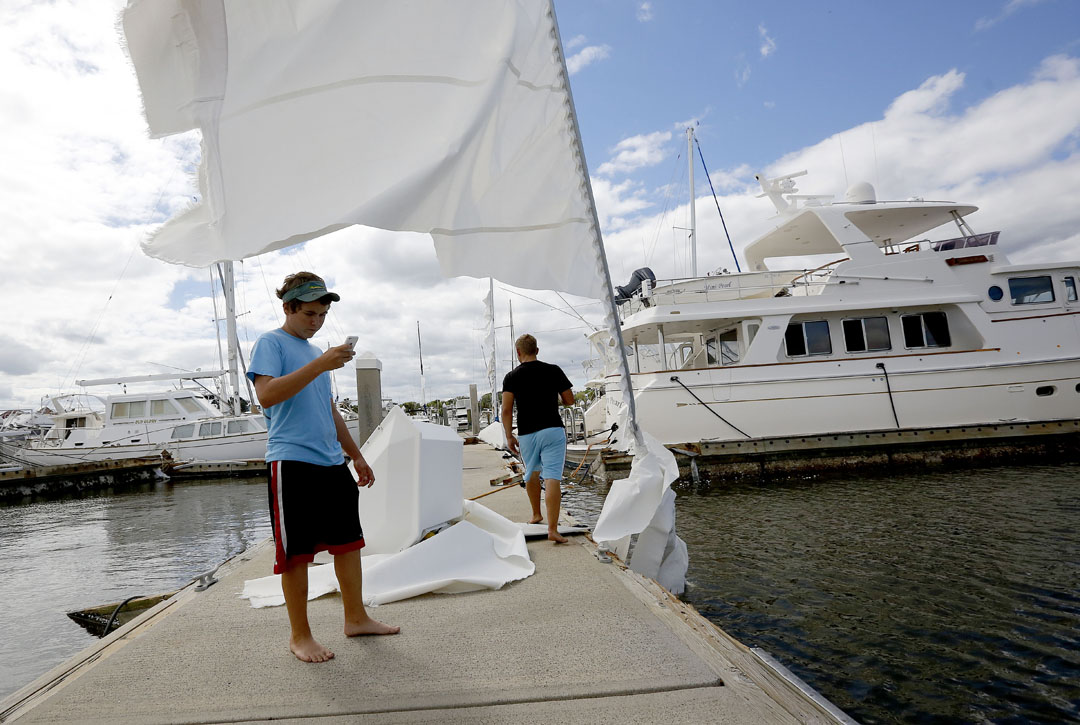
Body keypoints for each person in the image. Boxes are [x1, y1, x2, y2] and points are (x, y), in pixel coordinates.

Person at [248, 271, 399, 663]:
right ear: (288, 308)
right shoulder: (271, 342)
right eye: (309, 314)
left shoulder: (316, 355)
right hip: (291, 461)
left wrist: (356, 454)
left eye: (321, 315)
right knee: (296, 554)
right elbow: (266, 395)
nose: (316, 322)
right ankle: (300, 636)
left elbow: (327, 410)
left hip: (332, 462)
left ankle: (356, 617)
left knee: (348, 545)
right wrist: (321, 365)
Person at [501, 333, 575, 543]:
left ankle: (536, 514)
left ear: (518, 353)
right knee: (552, 476)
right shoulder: (553, 370)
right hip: (552, 429)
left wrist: (509, 436)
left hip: (527, 433)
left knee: (531, 473)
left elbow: (506, 410)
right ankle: (553, 529)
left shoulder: (511, 376)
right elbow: (569, 400)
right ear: (537, 350)